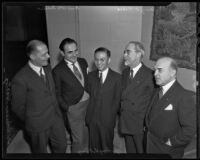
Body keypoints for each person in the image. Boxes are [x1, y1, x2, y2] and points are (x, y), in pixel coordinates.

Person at [11, 40, 67, 153]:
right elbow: (17, 107)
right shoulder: (20, 78)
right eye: (43, 54)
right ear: (32, 56)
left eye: (47, 52)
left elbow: (52, 92)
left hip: (55, 118)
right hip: (37, 125)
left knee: (62, 146)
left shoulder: (47, 68)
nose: (48, 56)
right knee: (40, 151)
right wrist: (32, 119)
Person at [145, 57, 196, 158]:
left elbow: (190, 129)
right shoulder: (157, 91)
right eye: (155, 70)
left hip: (167, 150)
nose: (155, 74)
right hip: (150, 144)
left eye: (160, 70)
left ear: (172, 72)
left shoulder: (184, 96)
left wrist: (172, 142)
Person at [52, 38, 89, 153]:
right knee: (78, 138)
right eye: (70, 52)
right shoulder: (57, 71)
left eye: (76, 50)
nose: (74, 54)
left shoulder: (83, 61)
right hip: (73, 107)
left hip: (88, 102)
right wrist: (67, 108)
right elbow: (56, 93)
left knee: (86, 132)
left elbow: (86, 81)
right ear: (62, 53)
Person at [119, 41, 154, 153]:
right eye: (124, 52)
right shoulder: (125, 73)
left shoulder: (150, 75)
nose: (124, 55)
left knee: (141, 151)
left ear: (139, 54)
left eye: (128, 52)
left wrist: (147, 124)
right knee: (130, 151)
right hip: (126, 120)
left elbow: (153, 103)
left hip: (140, 124)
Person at [85, 47, 121, 153]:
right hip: (92, 119)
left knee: (106, 147)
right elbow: (88, 96)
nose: (98, 62)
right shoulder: (90, 76)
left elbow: (117, 100)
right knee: (93, 147)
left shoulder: (117, 78)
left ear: (109, 60)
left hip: (107, 120)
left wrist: (110, 116)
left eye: (102, 59)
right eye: (96, 59)